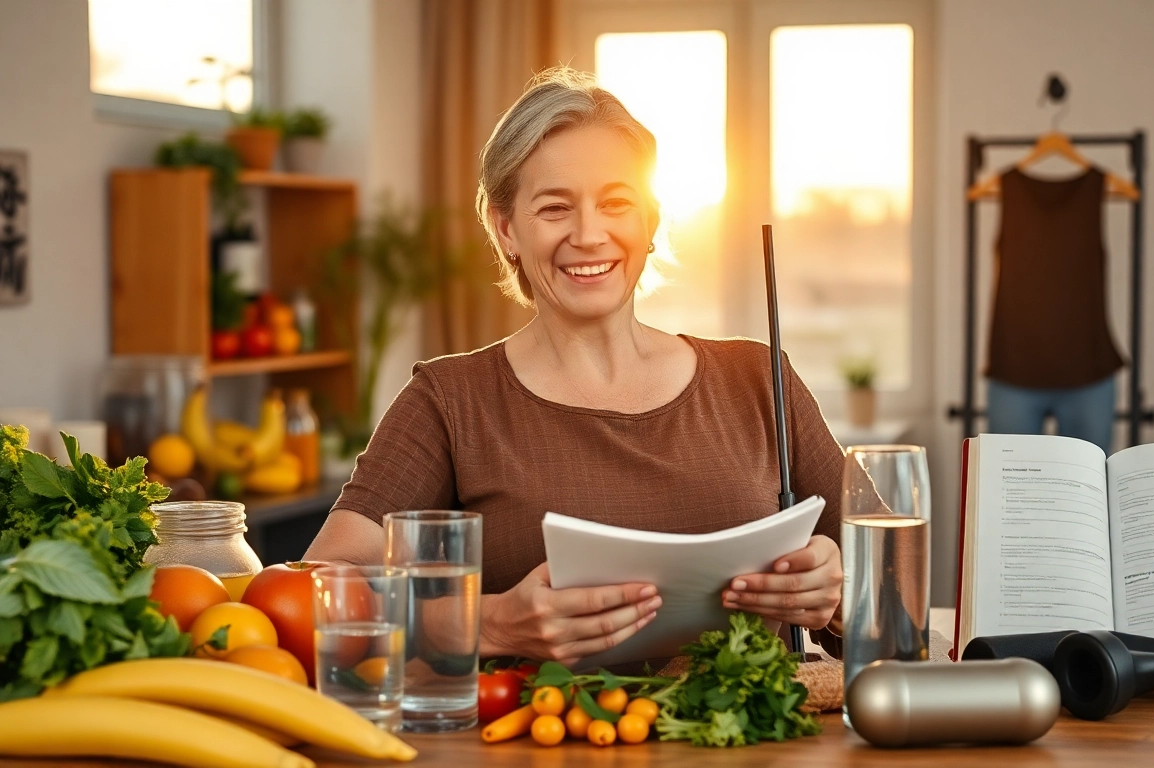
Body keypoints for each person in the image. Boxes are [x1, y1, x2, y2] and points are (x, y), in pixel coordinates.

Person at [305, 67, 845, 667]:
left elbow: (896, 577)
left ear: (651, 222)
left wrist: (836, 589)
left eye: (616, 203)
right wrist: (492, 624)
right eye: (555, 208)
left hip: (755, 752)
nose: (590, 234)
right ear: (505, 228)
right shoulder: (450, 400)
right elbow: (315, 588)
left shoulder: (757, 378)